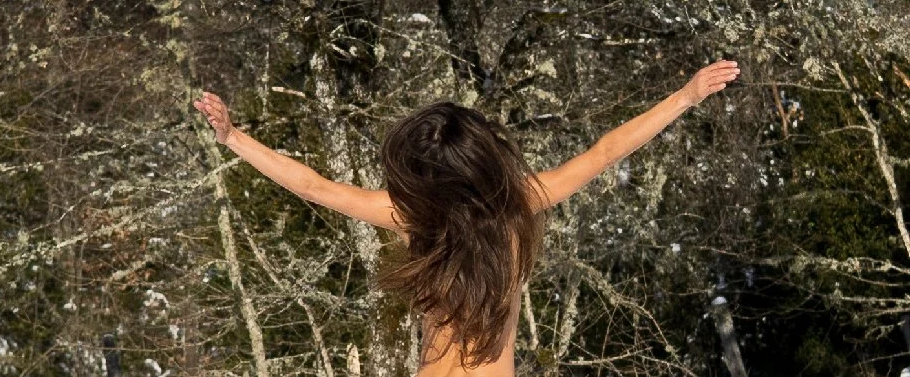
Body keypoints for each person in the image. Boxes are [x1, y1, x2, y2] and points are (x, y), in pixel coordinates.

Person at [194, 58, 740, 376]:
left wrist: (235, 138)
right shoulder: (516, 205)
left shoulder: (414, 217)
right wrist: (684, 96)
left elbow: (314, 187)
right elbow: (603, 152)